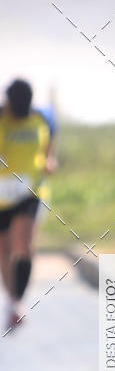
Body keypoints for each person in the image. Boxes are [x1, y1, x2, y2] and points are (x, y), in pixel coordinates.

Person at [0, 79, 56, 330]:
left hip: (29, 191)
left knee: (24, 243)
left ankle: (18, 302)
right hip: (1, 194)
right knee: (4, 249)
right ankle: (11, 299)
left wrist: (50, 160)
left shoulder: (42, 118)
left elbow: (50, 146)